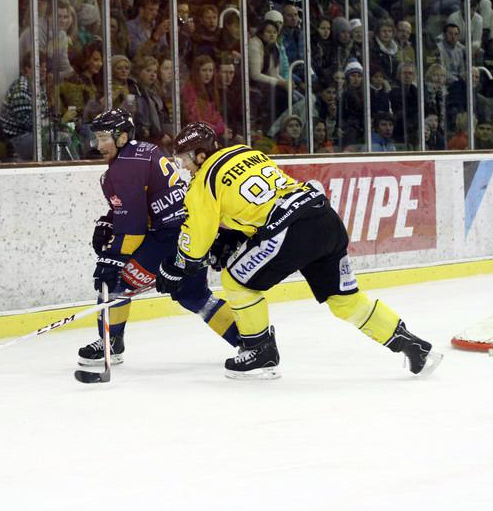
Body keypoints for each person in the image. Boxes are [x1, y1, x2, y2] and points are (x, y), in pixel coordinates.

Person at [155, 122, 443, 379]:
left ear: (200, 155)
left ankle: (259, 352)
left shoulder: (202, 182)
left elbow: (197, 239)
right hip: (324, 218)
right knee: (346, 301)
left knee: (236, 281)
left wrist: (178, 265)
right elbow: (259, 202)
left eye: (184, 159)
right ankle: (412, 345)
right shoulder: (246, 152)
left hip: (290, 231)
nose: (183, 167)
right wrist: (236, 236)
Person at [77, 109, 241, 365]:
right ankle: (251, 341)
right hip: (190, 233)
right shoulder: (144, 151)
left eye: (103, 138)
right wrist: (111, 219)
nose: (98, 146)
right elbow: (141, 204)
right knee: (194, 295)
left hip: (167, 237)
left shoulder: (124, 167)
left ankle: (110, 343)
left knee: (116, 279)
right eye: (96, 139)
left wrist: (112, 258)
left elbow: (133, 226)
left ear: (121, 138)